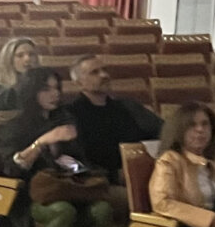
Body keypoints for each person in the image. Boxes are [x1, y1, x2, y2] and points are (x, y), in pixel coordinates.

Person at [0, 66, 116, 227]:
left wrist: (72, 165)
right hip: (34, 197)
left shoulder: (66, 121)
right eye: (46, 89)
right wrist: (43, 142)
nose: (54, 94)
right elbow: (12, 169)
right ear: (32, 92)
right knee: (62, 210)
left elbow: (79, 161)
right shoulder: (15, 126)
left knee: (102, 210)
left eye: (56, 88)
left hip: (70, 189)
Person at [66, 55, 162, 184]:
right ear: (79, 83)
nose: (104, 75)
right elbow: (71, 160)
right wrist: (112, 176)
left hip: (141, 176)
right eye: (94, 72)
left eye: (104, 70)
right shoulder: (71, 114)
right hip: (100, 183)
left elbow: (163, 131)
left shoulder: (129, 107)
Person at [0, 37, 40, 112]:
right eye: (20, 55)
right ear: (9, 61)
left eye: (31, 54)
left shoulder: (45, 87)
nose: (27, 59)